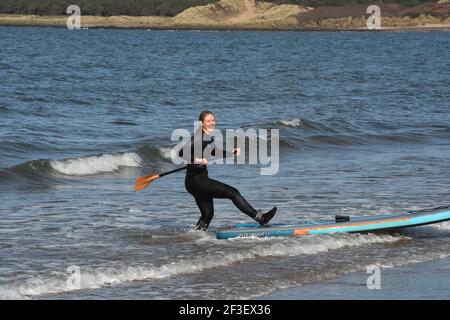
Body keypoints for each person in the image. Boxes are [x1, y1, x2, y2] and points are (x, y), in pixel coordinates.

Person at [179, 110, 277, 231]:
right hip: (197, 181)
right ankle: (260, 218)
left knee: (208, 214)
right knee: (233, 193)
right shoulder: (199, 137)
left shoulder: (207, 138)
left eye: (213, 120)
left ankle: (196, 237)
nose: (211, 123)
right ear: (201, 123)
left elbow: (215, 152)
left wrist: (231, 153)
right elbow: (182, 152)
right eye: (208, 121)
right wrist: (198, 159)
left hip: (194, 182)